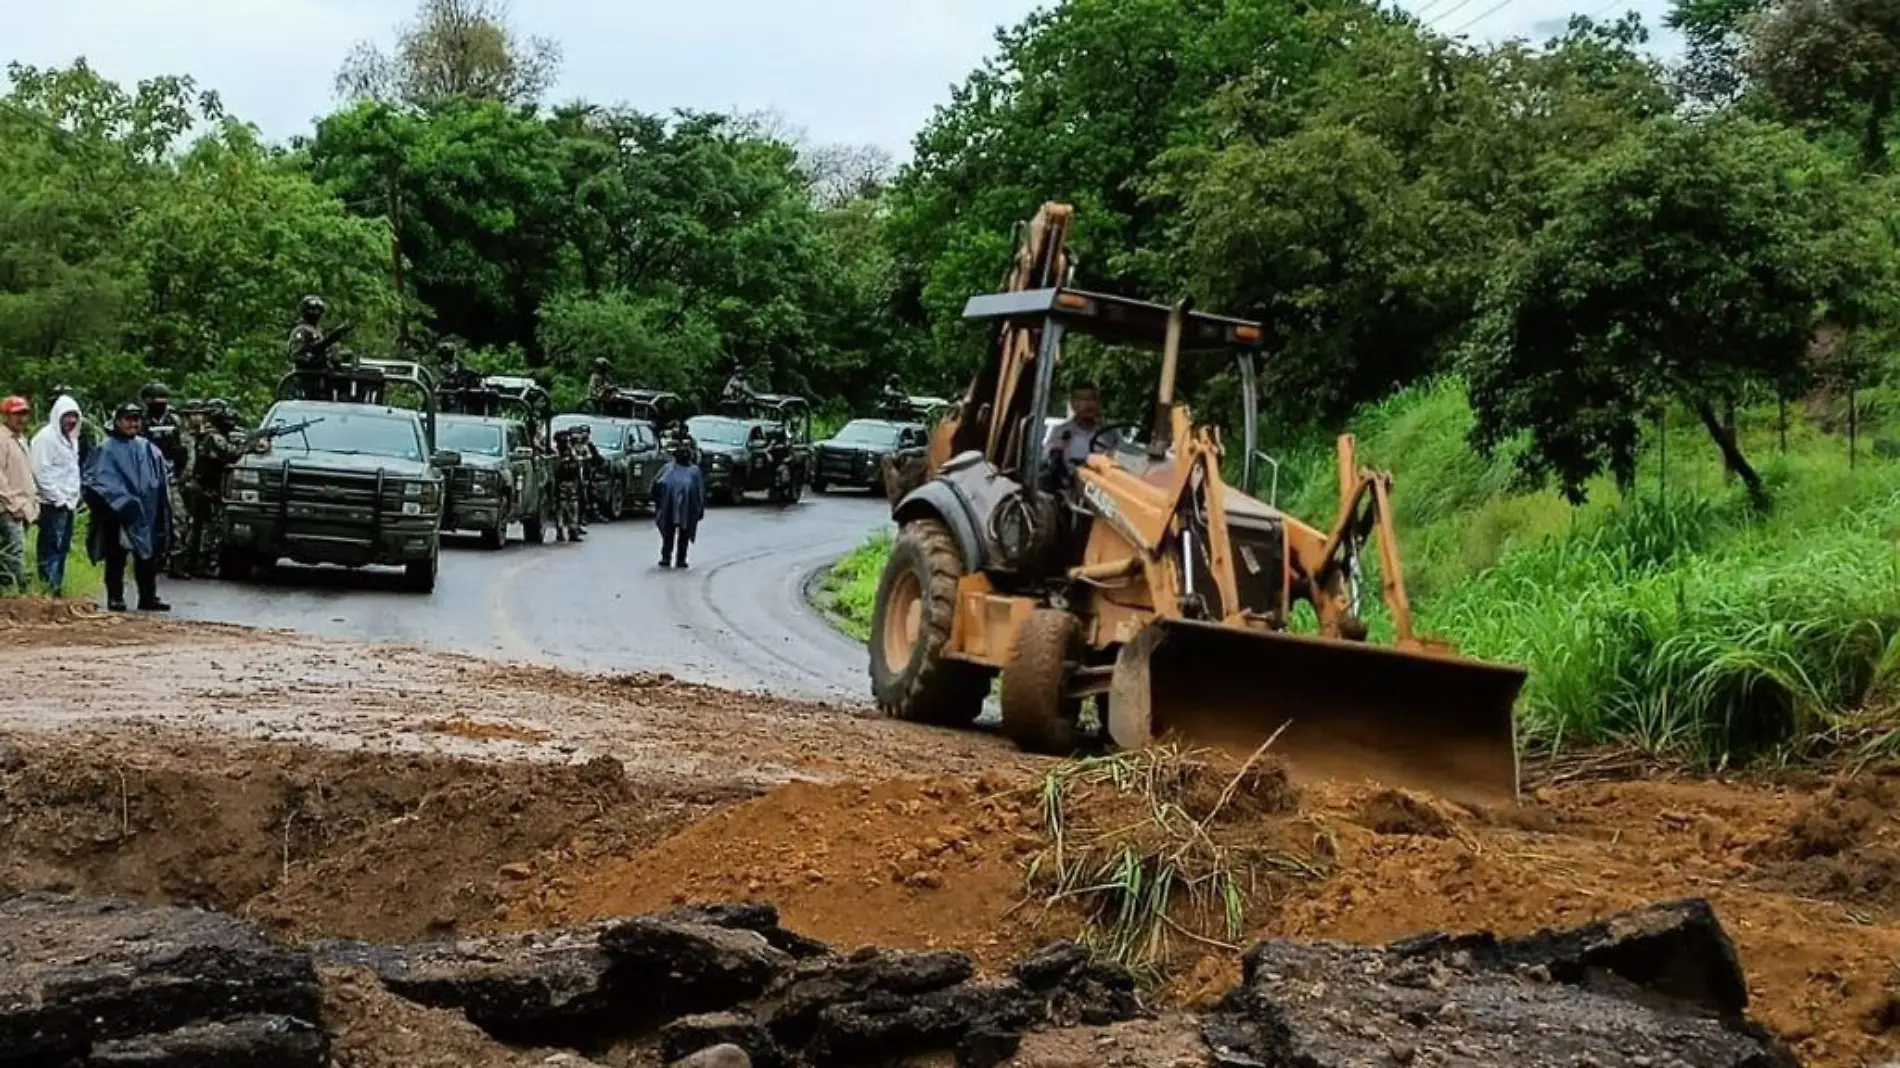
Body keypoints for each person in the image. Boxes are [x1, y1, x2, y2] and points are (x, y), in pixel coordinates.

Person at [85, 403, 173, 612]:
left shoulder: (148, 449)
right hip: (118, 512)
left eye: (136, 419)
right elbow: (95, 479)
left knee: (148, 554)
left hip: (147, 510)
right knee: (116, 555)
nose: (133, 423)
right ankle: (116, 597)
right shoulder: (106, 449)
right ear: (117, 421)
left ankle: (148, 596)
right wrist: (118, 502)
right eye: (128, 419)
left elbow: (162, 478)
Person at [178, 400, 243, 578]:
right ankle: (198, 563)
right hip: (203, 487)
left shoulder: (203, 435)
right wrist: (249, 446)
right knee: (206, 526)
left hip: (201, 485)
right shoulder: (213, 437)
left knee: (199, 525)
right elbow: (233, 454)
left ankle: (192, 562)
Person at [29, 394, 82, 595]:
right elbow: (40, 472)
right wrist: (58, 498)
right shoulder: (45, 439)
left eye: (74, 416)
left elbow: (70, 470)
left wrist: (72, 498)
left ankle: (56, 588)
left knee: (62, 548)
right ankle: (48, 589)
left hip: (68, 503)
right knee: (50, 548)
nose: (71, 421)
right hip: (52, 503)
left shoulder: (70, 439)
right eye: (67, 416)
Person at [0, 396, 38, 593]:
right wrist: (12, 504)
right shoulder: (1, 439)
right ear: (6, 415)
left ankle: (12, 591)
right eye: (17, 414)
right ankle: (16, 591)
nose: (22, 419)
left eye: (24, 414)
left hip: (23, 506)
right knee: (14, 550)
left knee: (14, 550)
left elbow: (27, 474)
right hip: (8, 508)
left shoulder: (22, 440)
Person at [1044, 382, 1109, 487]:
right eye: (1082, 399)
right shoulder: (1061, 432)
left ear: (1098, 403)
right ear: (1073, 404)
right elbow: (1050, 461)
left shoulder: (1110, 433)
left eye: (1092, 399)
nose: (1088, 404)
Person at [651, 442, 705, 569]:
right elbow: (656, 486)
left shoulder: (693, 472)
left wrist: (699, 507)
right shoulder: (667, 469)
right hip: (669, 507)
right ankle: (666, 557)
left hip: (686, 508)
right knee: (669, 533)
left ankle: (680, 558)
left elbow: (699, 491)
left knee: (683, 534)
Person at [551, 429, 585, 543]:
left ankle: (572, 531)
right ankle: (560, 531)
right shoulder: (555, 453)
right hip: (561, 484)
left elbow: (577, 466)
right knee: (561, 508)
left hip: (571, 483)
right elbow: (554, 470)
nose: (567, 442)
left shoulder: (571, 452)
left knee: (573, 507)